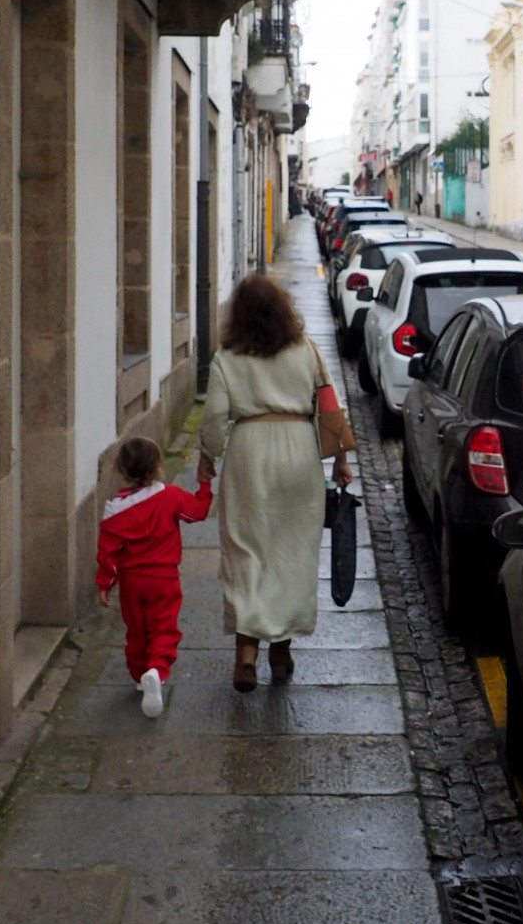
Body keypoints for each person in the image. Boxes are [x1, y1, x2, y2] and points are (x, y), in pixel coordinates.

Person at [197, 274, 353, 693]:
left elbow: (213, 420)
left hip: (250, 455)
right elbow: (328, 404)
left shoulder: (227, 358)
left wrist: (207, 457)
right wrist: (340, 459)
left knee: (246, 553)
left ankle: (246, 657)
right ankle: (280, 651)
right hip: (299, 455)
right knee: (291, 555)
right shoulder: (306, 351)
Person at [96, 437, 213, 718]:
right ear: (158, 466)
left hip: (132, 582)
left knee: (137, 630)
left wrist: (105, 584)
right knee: (164, 629)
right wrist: (205, 485)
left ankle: (140, 674)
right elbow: (198, 511)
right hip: (164, 579)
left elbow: (108, 553)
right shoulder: (170, 496)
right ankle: (156, 671)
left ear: (121, 469)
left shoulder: (115, 509)